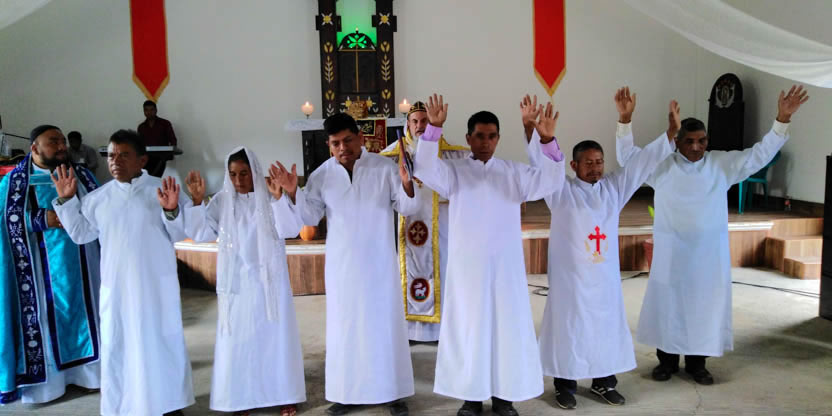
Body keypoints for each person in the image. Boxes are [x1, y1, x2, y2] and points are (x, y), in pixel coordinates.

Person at [619, 85, 809, 386]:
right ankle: (666, 362)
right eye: (689, 141)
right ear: (677, 142)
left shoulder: (721, 164)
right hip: (672, 252)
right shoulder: (662, 167)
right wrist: (625, 120)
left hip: (708, 255)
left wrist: (782, 119)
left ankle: (698, 364)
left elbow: (759, 155)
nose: (697, 147)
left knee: (704, 308)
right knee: (669, 305)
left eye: (702, 140)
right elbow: (629, 159)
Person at [414, 94, 565, 416]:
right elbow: (424, 168)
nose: (486, 142)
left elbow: (551, 182)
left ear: (498, 138)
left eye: (492, 136)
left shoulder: (513, 172)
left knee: (506, 331)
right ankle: (471, 397)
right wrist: (434, 129)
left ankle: (503, 397)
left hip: (505, 269)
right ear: (468, 138)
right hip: (467, 270)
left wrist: (547, 140)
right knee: (470, 331)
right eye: (480, 136)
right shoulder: (454, 172)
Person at [530, 88, 679, 410]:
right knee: (569, 330)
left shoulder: (613, 188)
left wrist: (665, 133)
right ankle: (565, 385)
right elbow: (544, 167)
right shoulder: (560, 190)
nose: (596, 167)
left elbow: (640, 165)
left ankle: (604, 382)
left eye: (599, 162)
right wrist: (545, 139)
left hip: (604, 280)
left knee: (604, 328)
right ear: (574, 164)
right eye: (588, 163)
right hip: (571, 282)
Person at [272, 112, 418, 416]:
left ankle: (393, 393)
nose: (343, 148)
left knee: (384, 327)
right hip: (343, 268)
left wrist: (406, 184)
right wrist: (292, 191)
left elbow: (408, 207)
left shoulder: (383, 168)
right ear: (329, 145)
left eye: (348, 140)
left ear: (361, 138)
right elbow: (309, 217)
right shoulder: (322, 175)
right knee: (346, 330)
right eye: (336, 143)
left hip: (380, 265)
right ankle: (346, 393)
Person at [51, 129, 194, 415]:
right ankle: (125, 406)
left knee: (161, 344)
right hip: (117, 289)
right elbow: (81, 234)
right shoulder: (98, 198)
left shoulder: (162, 189)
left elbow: (180, 233)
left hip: (155, 287)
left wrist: (171, 210)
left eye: (124, 155)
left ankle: (168, 404)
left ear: (142, 160)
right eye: (111, 155)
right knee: (120, 345)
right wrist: (67, 201)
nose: (115, 161)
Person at [184, 148, 305, 416]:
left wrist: (279, 199)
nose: (238, 180)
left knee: (276, 338)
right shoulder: (221, 201)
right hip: (237, 283)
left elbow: (290, 230)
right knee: (240, 341)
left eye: (244, 173)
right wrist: (196, 202)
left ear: (255, 172)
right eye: (233, 174)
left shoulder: (270, 197)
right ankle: (241, 398)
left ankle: (285, 395)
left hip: (270, 283)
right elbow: (202, 234)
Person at [0, 125, 101, 404]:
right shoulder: (15, 182)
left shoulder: (81, 175)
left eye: (62, 141)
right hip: (36, 268)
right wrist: (40, 219)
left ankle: (90, 377)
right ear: (34, 147)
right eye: (53, 142)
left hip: (83, 262)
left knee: (87, 313)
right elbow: (2, 221)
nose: (61, 146)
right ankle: (49, 387)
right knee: (45, 319)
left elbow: (101, 209)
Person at [380, 101, 468, 342]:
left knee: (442, 272)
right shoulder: (391, 156)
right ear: (407, 124)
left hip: (441, 228)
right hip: (405, 227)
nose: (420, 126)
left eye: (425, 121)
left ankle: (441, 330)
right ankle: (408, 331)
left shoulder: (454, 154)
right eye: (415, 121)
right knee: (404, 274)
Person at [137, 100, 178, 177]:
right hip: (146, 158)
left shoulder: (165, 124)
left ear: (156, 110)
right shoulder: (141, 127)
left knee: (155, 177)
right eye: (146, 110)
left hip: (161, 158)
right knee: (146, 178)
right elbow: (139, 143)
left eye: (151, 110)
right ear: (144, 111)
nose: (149, 112)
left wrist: (169, 154)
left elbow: (173, 140)